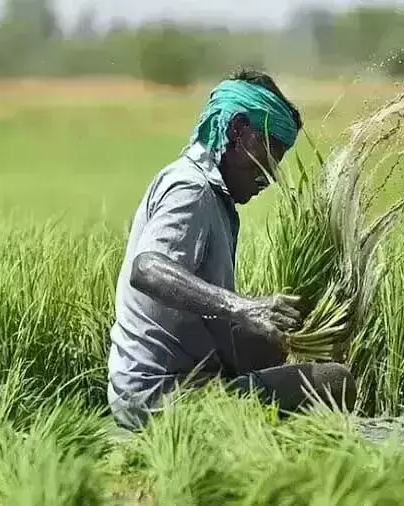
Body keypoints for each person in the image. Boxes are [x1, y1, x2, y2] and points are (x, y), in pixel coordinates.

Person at [107, 68, 356, 430]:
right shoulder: (191, 189)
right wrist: (241, 307)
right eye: (270, 153)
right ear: (238, 131)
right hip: (159, 398)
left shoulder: (213, 197)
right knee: (335, 380)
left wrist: (284, 334)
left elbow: (213, 329)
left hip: (163, 389)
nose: (271, 175)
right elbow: (147, 269)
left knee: (272, 352)